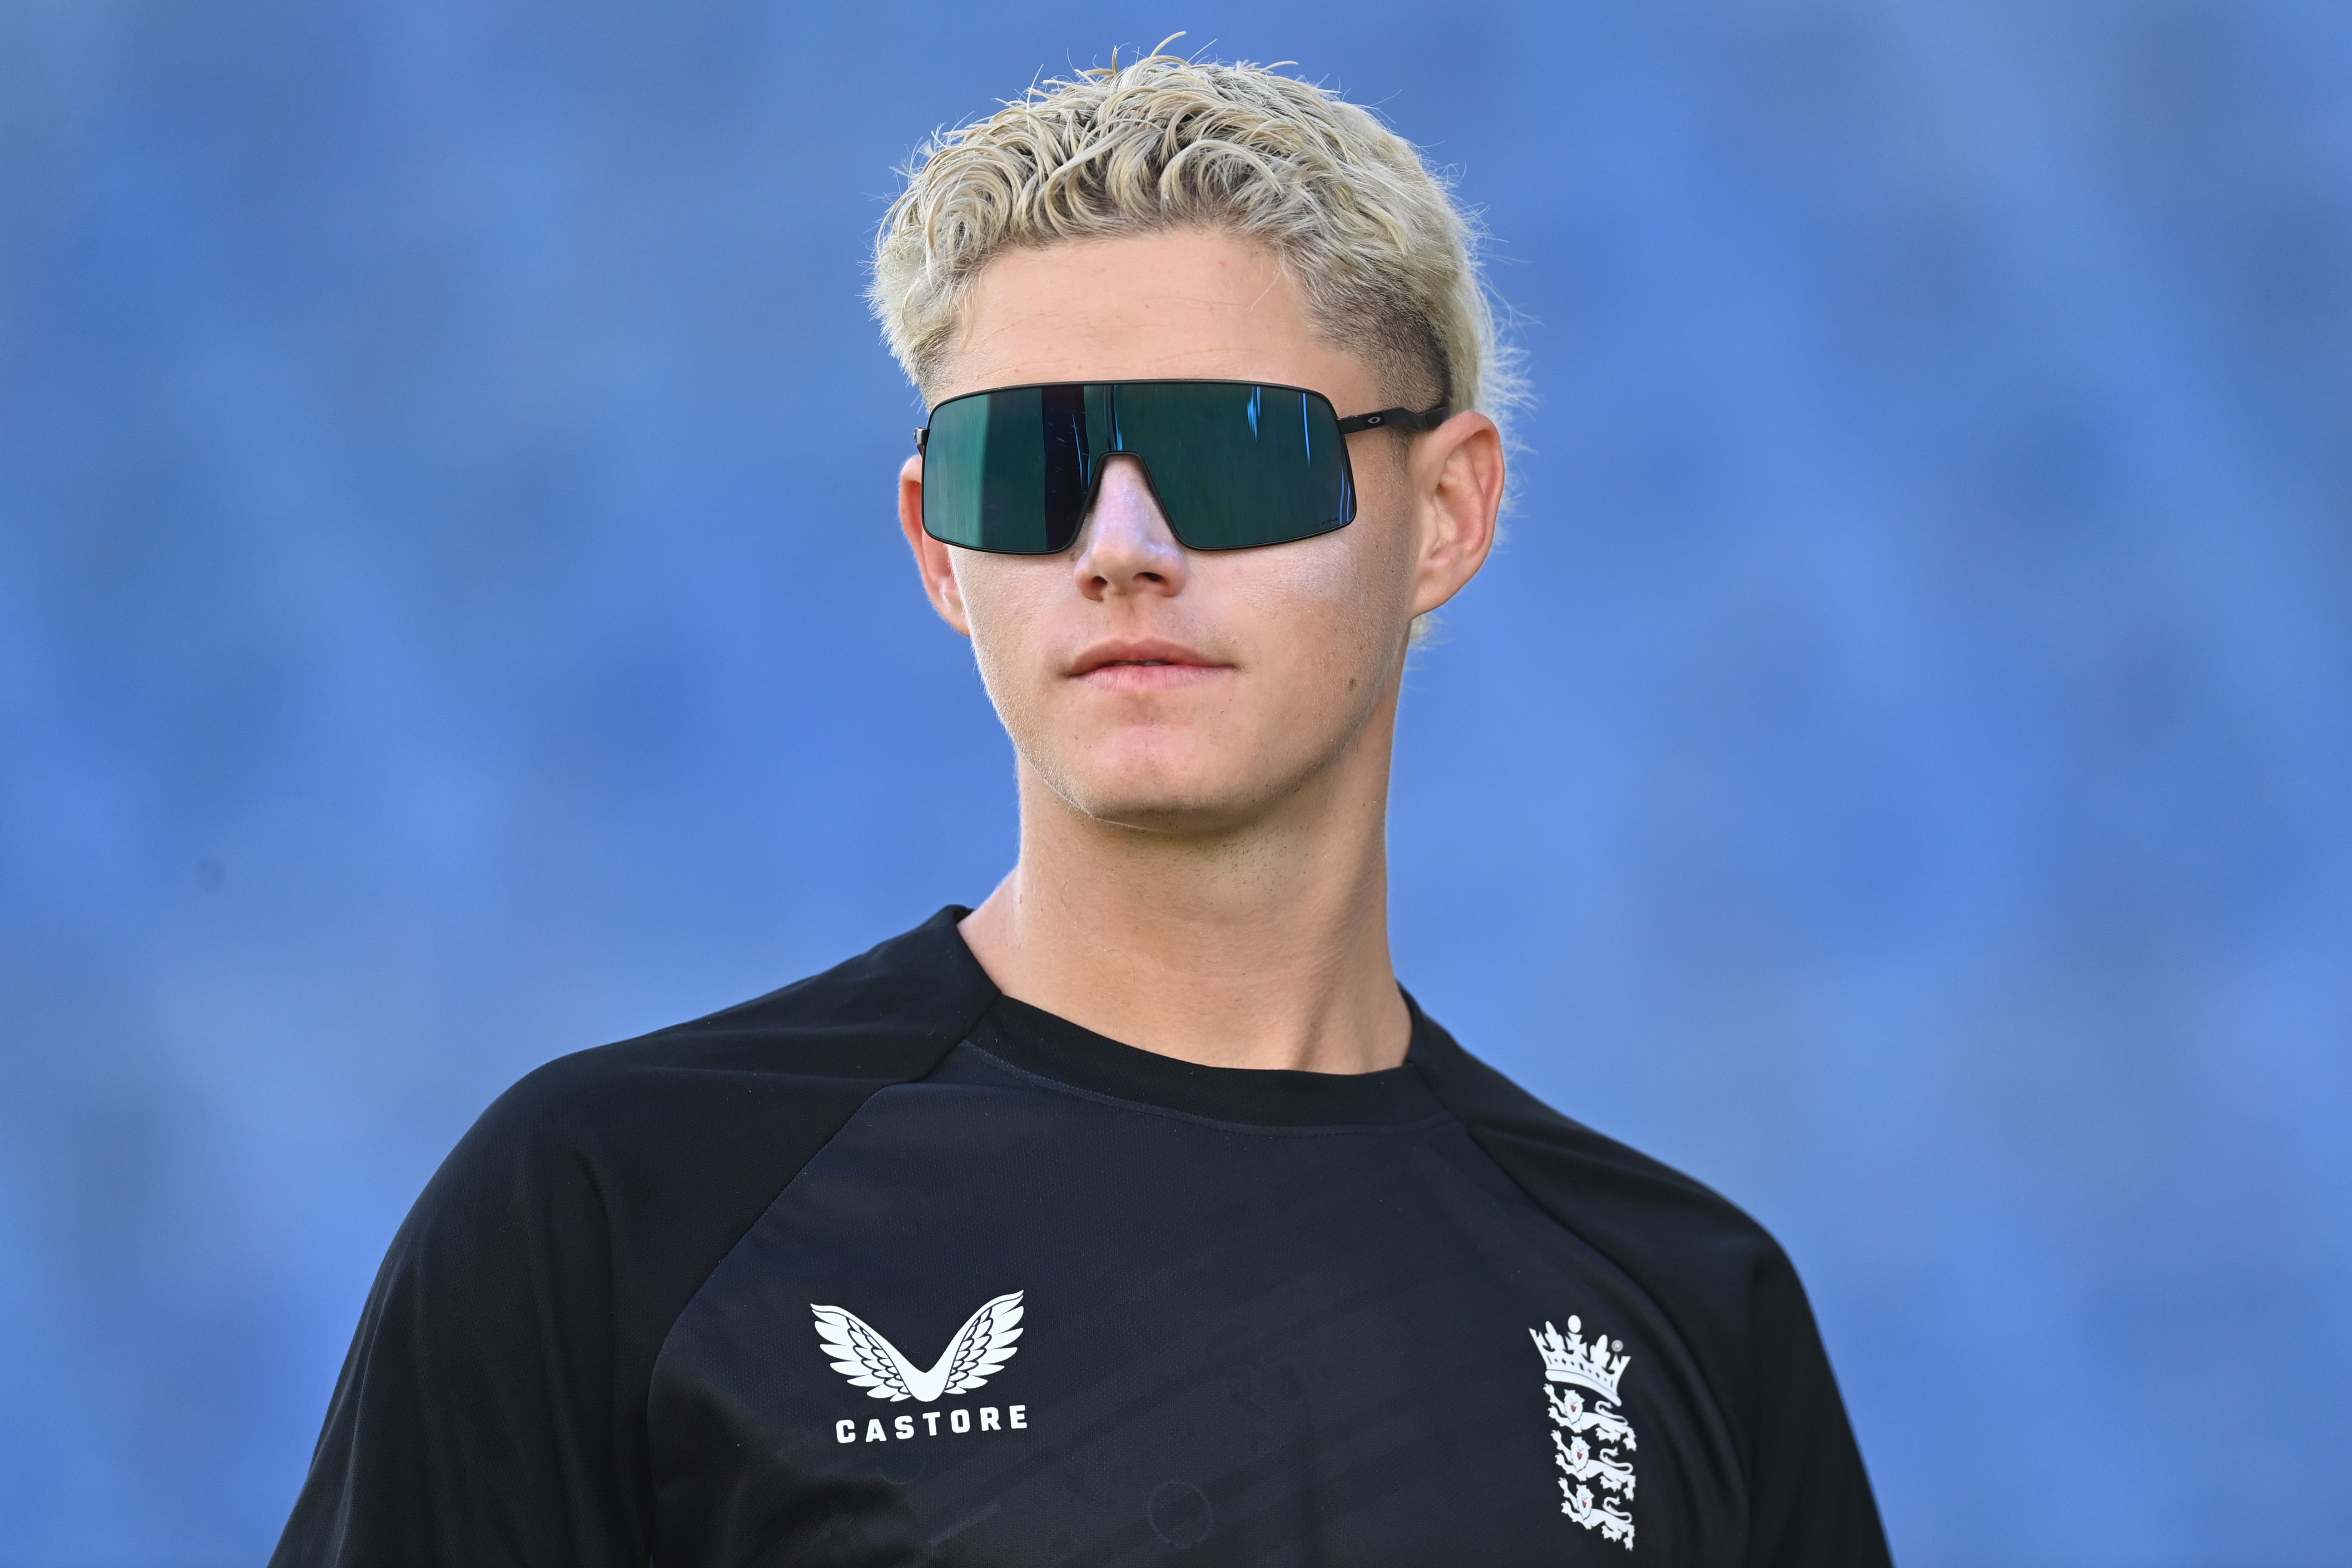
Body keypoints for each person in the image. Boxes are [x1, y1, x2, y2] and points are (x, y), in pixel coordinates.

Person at [272, 50, 1890, 1568]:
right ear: (934, 545)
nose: (1119, 539)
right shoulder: (613, 1206)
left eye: (1232, 450)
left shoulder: (1684, 1304)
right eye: (1027, 467)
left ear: (1448, 510)